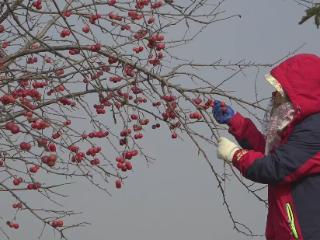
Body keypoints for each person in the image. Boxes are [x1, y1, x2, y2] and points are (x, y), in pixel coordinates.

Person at [213, 53, 320, 240]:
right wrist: (237, 123)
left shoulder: (314, 130)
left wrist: (236, 154)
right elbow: (271, 153)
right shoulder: (301, 126)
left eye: (279, 90)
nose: (274, 96)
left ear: (298, 93)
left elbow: (276, 167)